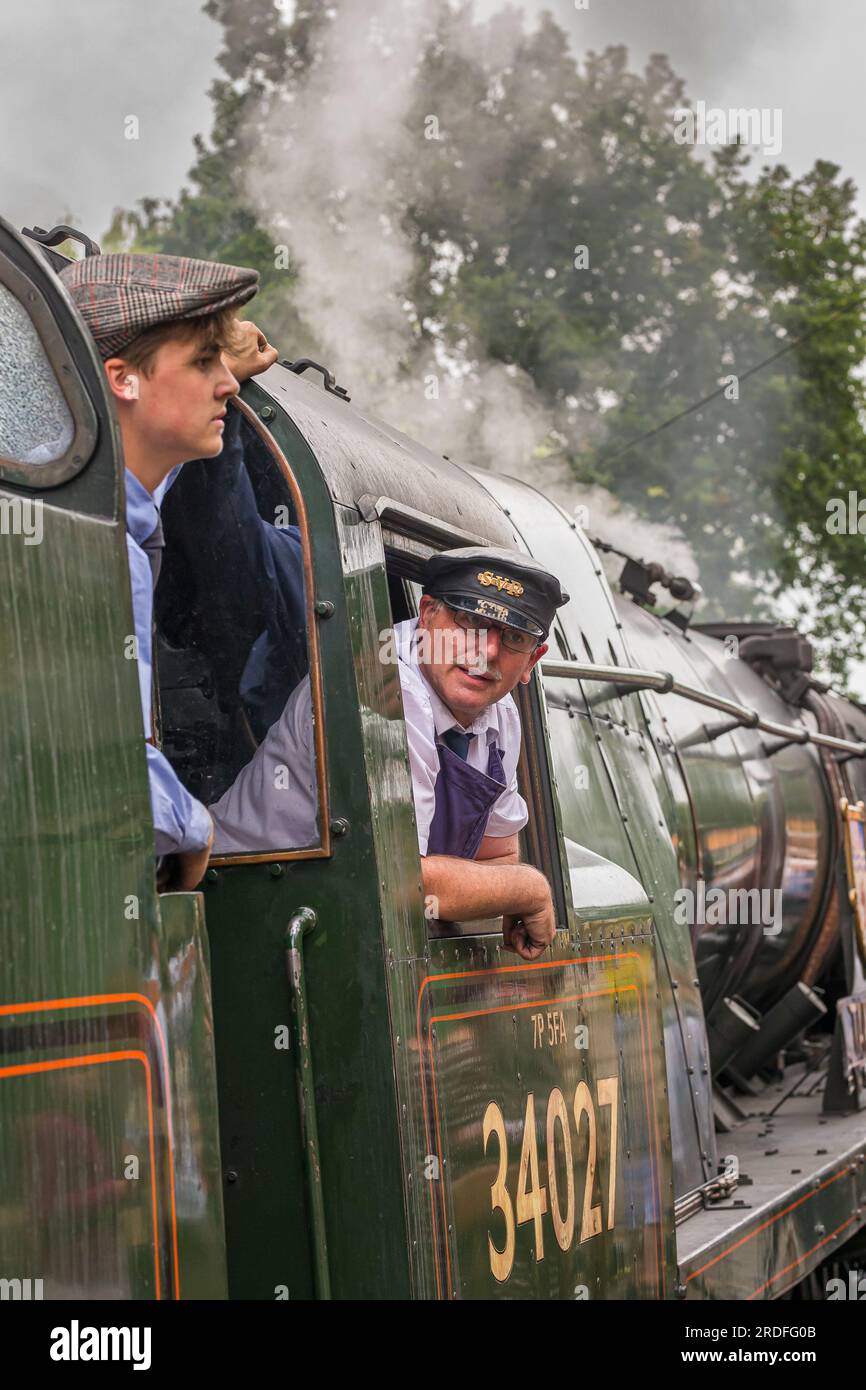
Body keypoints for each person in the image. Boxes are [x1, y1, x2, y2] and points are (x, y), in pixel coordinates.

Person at [210, 545, 569, 960]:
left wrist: (496, 887)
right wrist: (531, 891)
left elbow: (498, 857)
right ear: (427, 613)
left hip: (325, 923)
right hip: (240, 913)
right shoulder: (384, 684)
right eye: (470, 620)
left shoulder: (498, 713)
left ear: (532, 661)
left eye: (513, 637)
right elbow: (401, 881)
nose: (486, 652)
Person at [60, 251, 278, 889]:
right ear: (123, 380)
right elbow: (108, 763)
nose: (230, 385)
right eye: (203, 364)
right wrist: (191, 823)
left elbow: (141, 480)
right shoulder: (101, 549)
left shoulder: (103, 507)